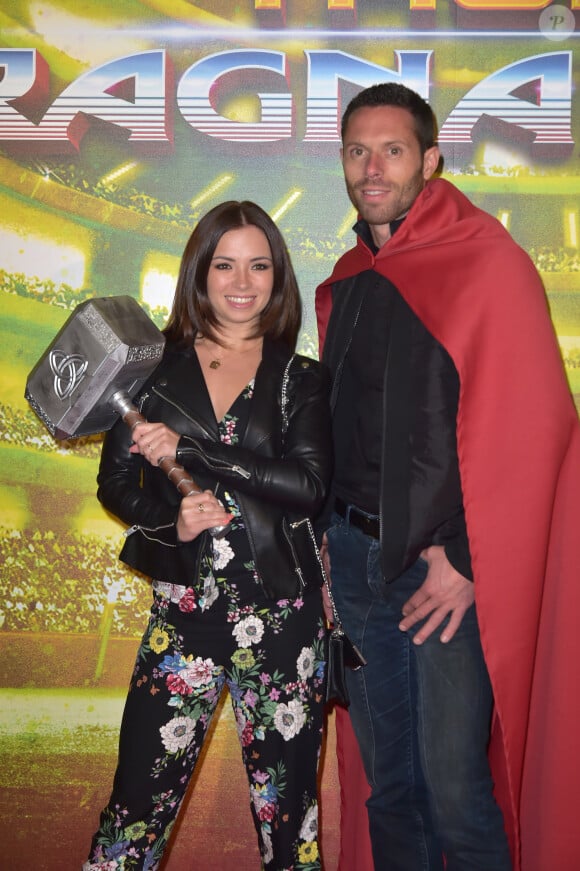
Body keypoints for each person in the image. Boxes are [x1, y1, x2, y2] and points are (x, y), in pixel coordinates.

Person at [315, 82, 580, 871]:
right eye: (357, 150)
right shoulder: (349, 276)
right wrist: (326, 543)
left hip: (444, 579)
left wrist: (466, 558)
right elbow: (341, 432)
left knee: (457, 789)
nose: (373, 166)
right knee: (390, 789)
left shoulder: (489, 262)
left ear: (429, 159)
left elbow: (539, 429)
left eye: (391, 149)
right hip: (358, 568)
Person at [84, 200, 333, 871]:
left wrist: (199, 453)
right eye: (225, 264)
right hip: (184, 620)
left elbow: (310, 485)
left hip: (284, 619)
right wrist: (173, 520)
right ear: (200, 272)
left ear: (279, 279)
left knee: (288, 819)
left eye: (259, 265)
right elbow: (116, 486)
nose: (242, 281)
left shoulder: (301, 377)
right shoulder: (151, 370)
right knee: (136, 804)